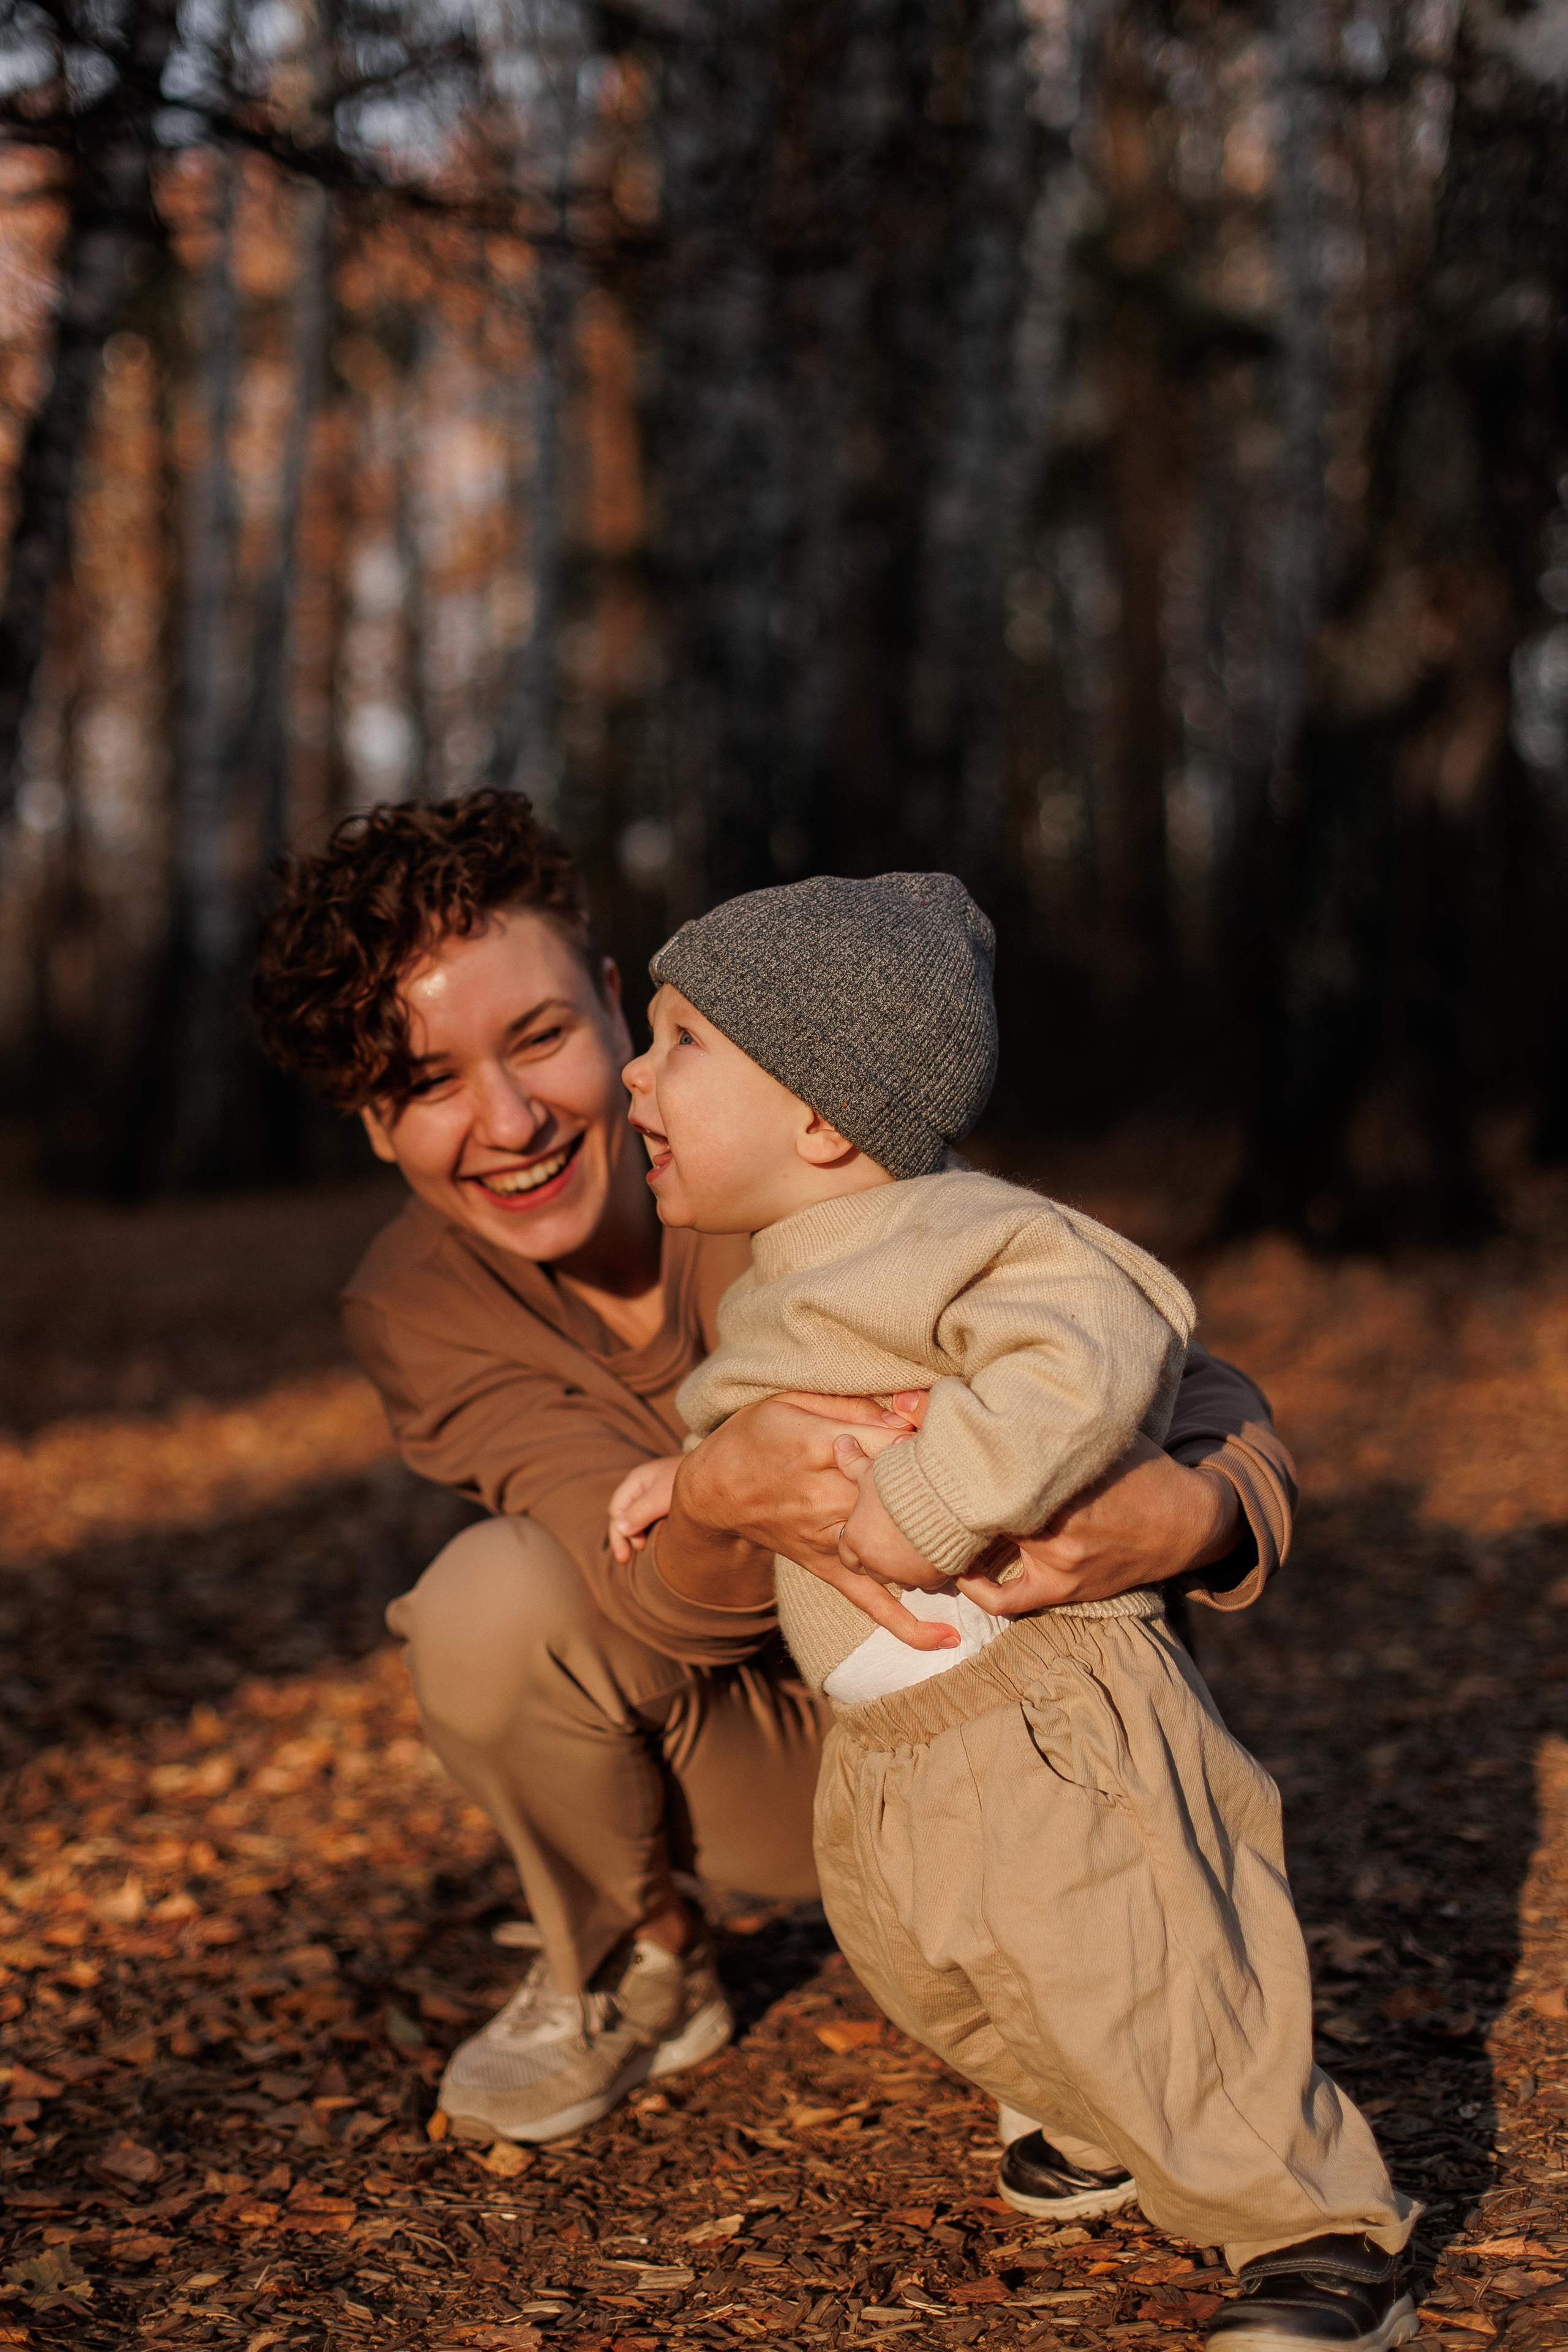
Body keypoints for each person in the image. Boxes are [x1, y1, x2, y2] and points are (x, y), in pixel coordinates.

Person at [250, 790, 1295, 2163]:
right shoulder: (418, 1306)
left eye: (540, 1037)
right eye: (428, 1084)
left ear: (618, 1010)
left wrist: (1201, 1511)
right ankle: (641, 1955)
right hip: (781, 1760)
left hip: (1013, 1709)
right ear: (376, 1125)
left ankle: (1086, 1947)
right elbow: (656, 1609)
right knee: (483, 1604)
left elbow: (1162, 1366)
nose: (507, 1120)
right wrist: (722, 1489)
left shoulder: (809, 1158)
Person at [612, 872, 1417, 2352]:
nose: (632, 1072)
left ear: (820, 1115)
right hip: (898, 1734)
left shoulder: (959, 1228)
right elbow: (785, 1424)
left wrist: (925, 1506)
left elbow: (1094, 1337)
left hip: (1045, 1702)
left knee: (1147, 1967)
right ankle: (1098, 2115)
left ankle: (1314, 2234)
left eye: (677, 1043)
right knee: (945, 1970)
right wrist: (684, 1481)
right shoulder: (783, 1267)